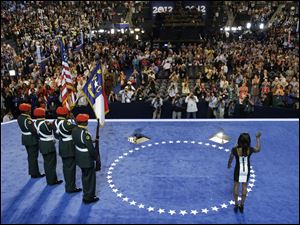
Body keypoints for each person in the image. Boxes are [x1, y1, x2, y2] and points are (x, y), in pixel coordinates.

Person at [227, 132, 262, 213]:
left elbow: (231, 157)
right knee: (244, 186)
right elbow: (258, 149)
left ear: (239, 141)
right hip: (246, 170)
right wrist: (257, 138)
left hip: (237, 169)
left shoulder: (235, 149)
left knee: (236, 185)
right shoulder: (250, 150)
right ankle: (242, 205)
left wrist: (229, 164)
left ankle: (236, 204)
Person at [53, 107, 82, 193]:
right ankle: (71, 188)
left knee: (66, 167)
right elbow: (78, 128)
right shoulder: (66, 123)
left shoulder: (54, 122)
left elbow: (56, 135)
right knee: (70, 168)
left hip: (62, 145)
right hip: (69, 146)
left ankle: (69, 186)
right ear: (66, 114)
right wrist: (73, 118)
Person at [72, 114, 99, 204]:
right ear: (84, 122)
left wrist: (91, 141)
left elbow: (81, 141)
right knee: (90, 178)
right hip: (86, 158)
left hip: (79, 156)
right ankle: (88, 197)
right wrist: (96, 157)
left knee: (85, 176)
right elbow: (90, 148)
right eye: (86, 120)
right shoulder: (85, 133)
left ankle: (86, 193)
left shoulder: (75, 129)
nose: (87, 121)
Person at [33, 107, 63, 185]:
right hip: (49, 145)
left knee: (47, 163)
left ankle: (49, 179)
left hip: (42, 144)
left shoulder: (35, 122)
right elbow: (51, 129)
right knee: (51, 164)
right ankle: (52, 181)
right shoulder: (45, 123)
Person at [17, 103, 45, 178]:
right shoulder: (28, 120)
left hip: (25, 138)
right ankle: (35, 173)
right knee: (33, 157)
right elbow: (33, 131)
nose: (30, 111)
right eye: (29, 110)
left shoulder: (19, 117)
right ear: (26, 111)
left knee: (30, 156)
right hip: (31, 139)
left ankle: (32, 172)